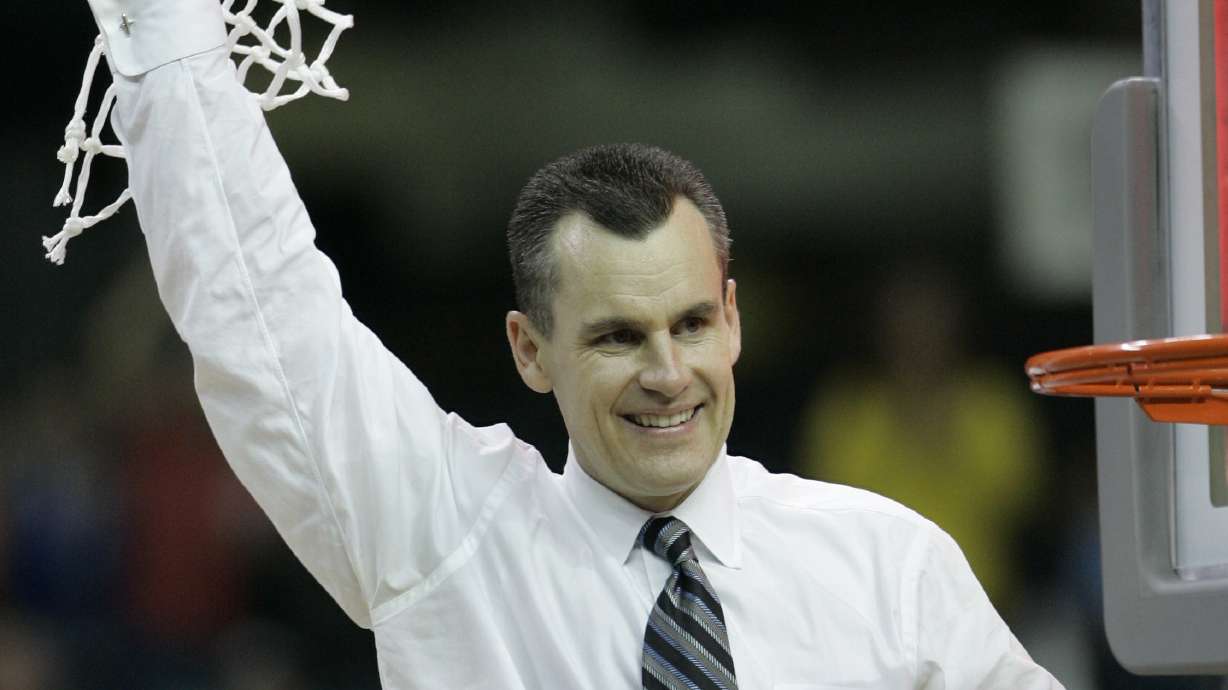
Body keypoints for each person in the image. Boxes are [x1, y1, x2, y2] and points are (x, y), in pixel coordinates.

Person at [81, 0, 1063, 687]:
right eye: (616, 337)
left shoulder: (886, 567)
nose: (667, 372)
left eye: (689, 324)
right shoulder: (452, 538)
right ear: (529, 350)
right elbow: (261, 313)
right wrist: (171, 31)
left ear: (732, 319)